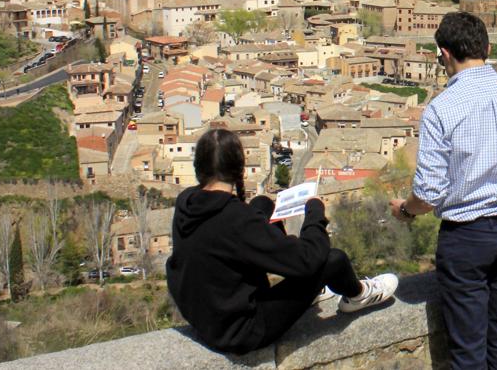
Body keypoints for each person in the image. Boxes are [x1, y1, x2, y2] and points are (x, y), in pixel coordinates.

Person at [389, 12, 497, 370]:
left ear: (444, 53)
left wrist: (404, 211)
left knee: (467, 345)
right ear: (487, 48)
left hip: (466, 237)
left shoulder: (442, 109)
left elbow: (428, 193)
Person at [166, 129, 398, 355]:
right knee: (332, 260)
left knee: (262, 204)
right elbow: (310, 260)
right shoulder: (236, 221)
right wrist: (315, 212)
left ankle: (294, 268)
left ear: (200, 168)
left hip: (206, 313)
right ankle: (358, 295)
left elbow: (235, 230)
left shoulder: (187, 201)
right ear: (240, 169)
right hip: (240, 330)